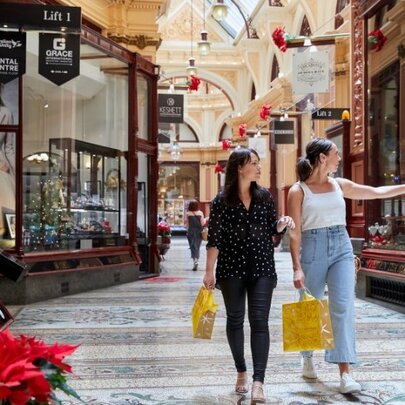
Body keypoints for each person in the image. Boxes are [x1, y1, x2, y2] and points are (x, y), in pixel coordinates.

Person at [287, 137, 405, 394]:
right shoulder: (298, 191)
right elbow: (294, 233)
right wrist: (297, 267)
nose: (339, 158)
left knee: (343, 306)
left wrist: (403, 188)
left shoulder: (339, 185)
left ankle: (345, 374)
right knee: (310, 304)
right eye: (336, 154)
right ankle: (307, 356)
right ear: (322, 158)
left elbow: (375, 192)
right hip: (313, 246)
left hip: (341, 247)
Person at [203, 147, 295, 403]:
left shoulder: (265, 196)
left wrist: (283, 222)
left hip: (262, 266)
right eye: (253, 163)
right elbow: (215, 239)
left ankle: (258, 381)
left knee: (259, 321)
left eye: (258, 162)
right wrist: (209, 270)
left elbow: (271, 230)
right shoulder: (221, 201)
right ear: (239, 167)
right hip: (231, 268)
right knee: (235, 319)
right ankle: (241, 371)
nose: (258, 167)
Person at [0, 83, 15, 239]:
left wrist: (15, 173)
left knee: (7, 203)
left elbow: (9, 147)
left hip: (3, 168)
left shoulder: (5, 113)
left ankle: (7, 244)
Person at [185, 200, 205, 271]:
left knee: (192, 246)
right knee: (197, 247)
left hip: (191, 232)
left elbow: (187, 224)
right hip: (199, 232)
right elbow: (202, 223)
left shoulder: (188, 213)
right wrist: (206, 219)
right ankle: (196, 260)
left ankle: (195, 261)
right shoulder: (200, 213)